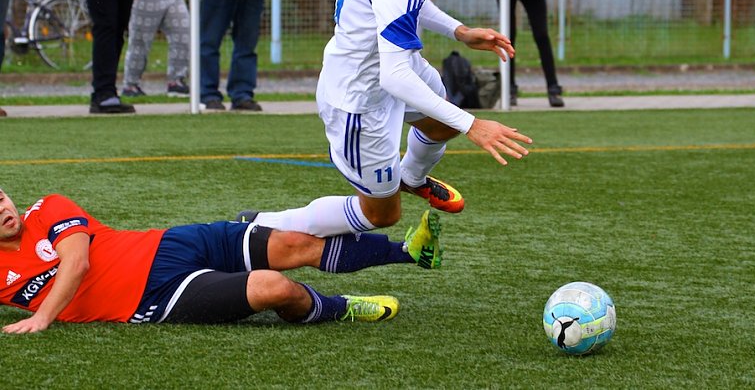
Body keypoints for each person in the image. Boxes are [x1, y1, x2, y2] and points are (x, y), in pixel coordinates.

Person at [239, 0, 532, 239]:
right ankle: (262, 223)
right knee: (382, 214)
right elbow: (394, 73)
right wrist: (473, 125)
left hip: (391, 69)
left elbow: (405, 2)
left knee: (442, 119)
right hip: (360, 100)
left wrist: (458, 31)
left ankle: (410, 177)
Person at [0, 187, 441, 334]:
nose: (4, 207)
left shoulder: (48, 207)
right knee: (273, 287)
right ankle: (340, 306)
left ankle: (408, 253)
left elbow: (76, 263)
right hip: (158, 299)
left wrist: (42, 317)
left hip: (172, 244)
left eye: (0, 196)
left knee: (294, 243)